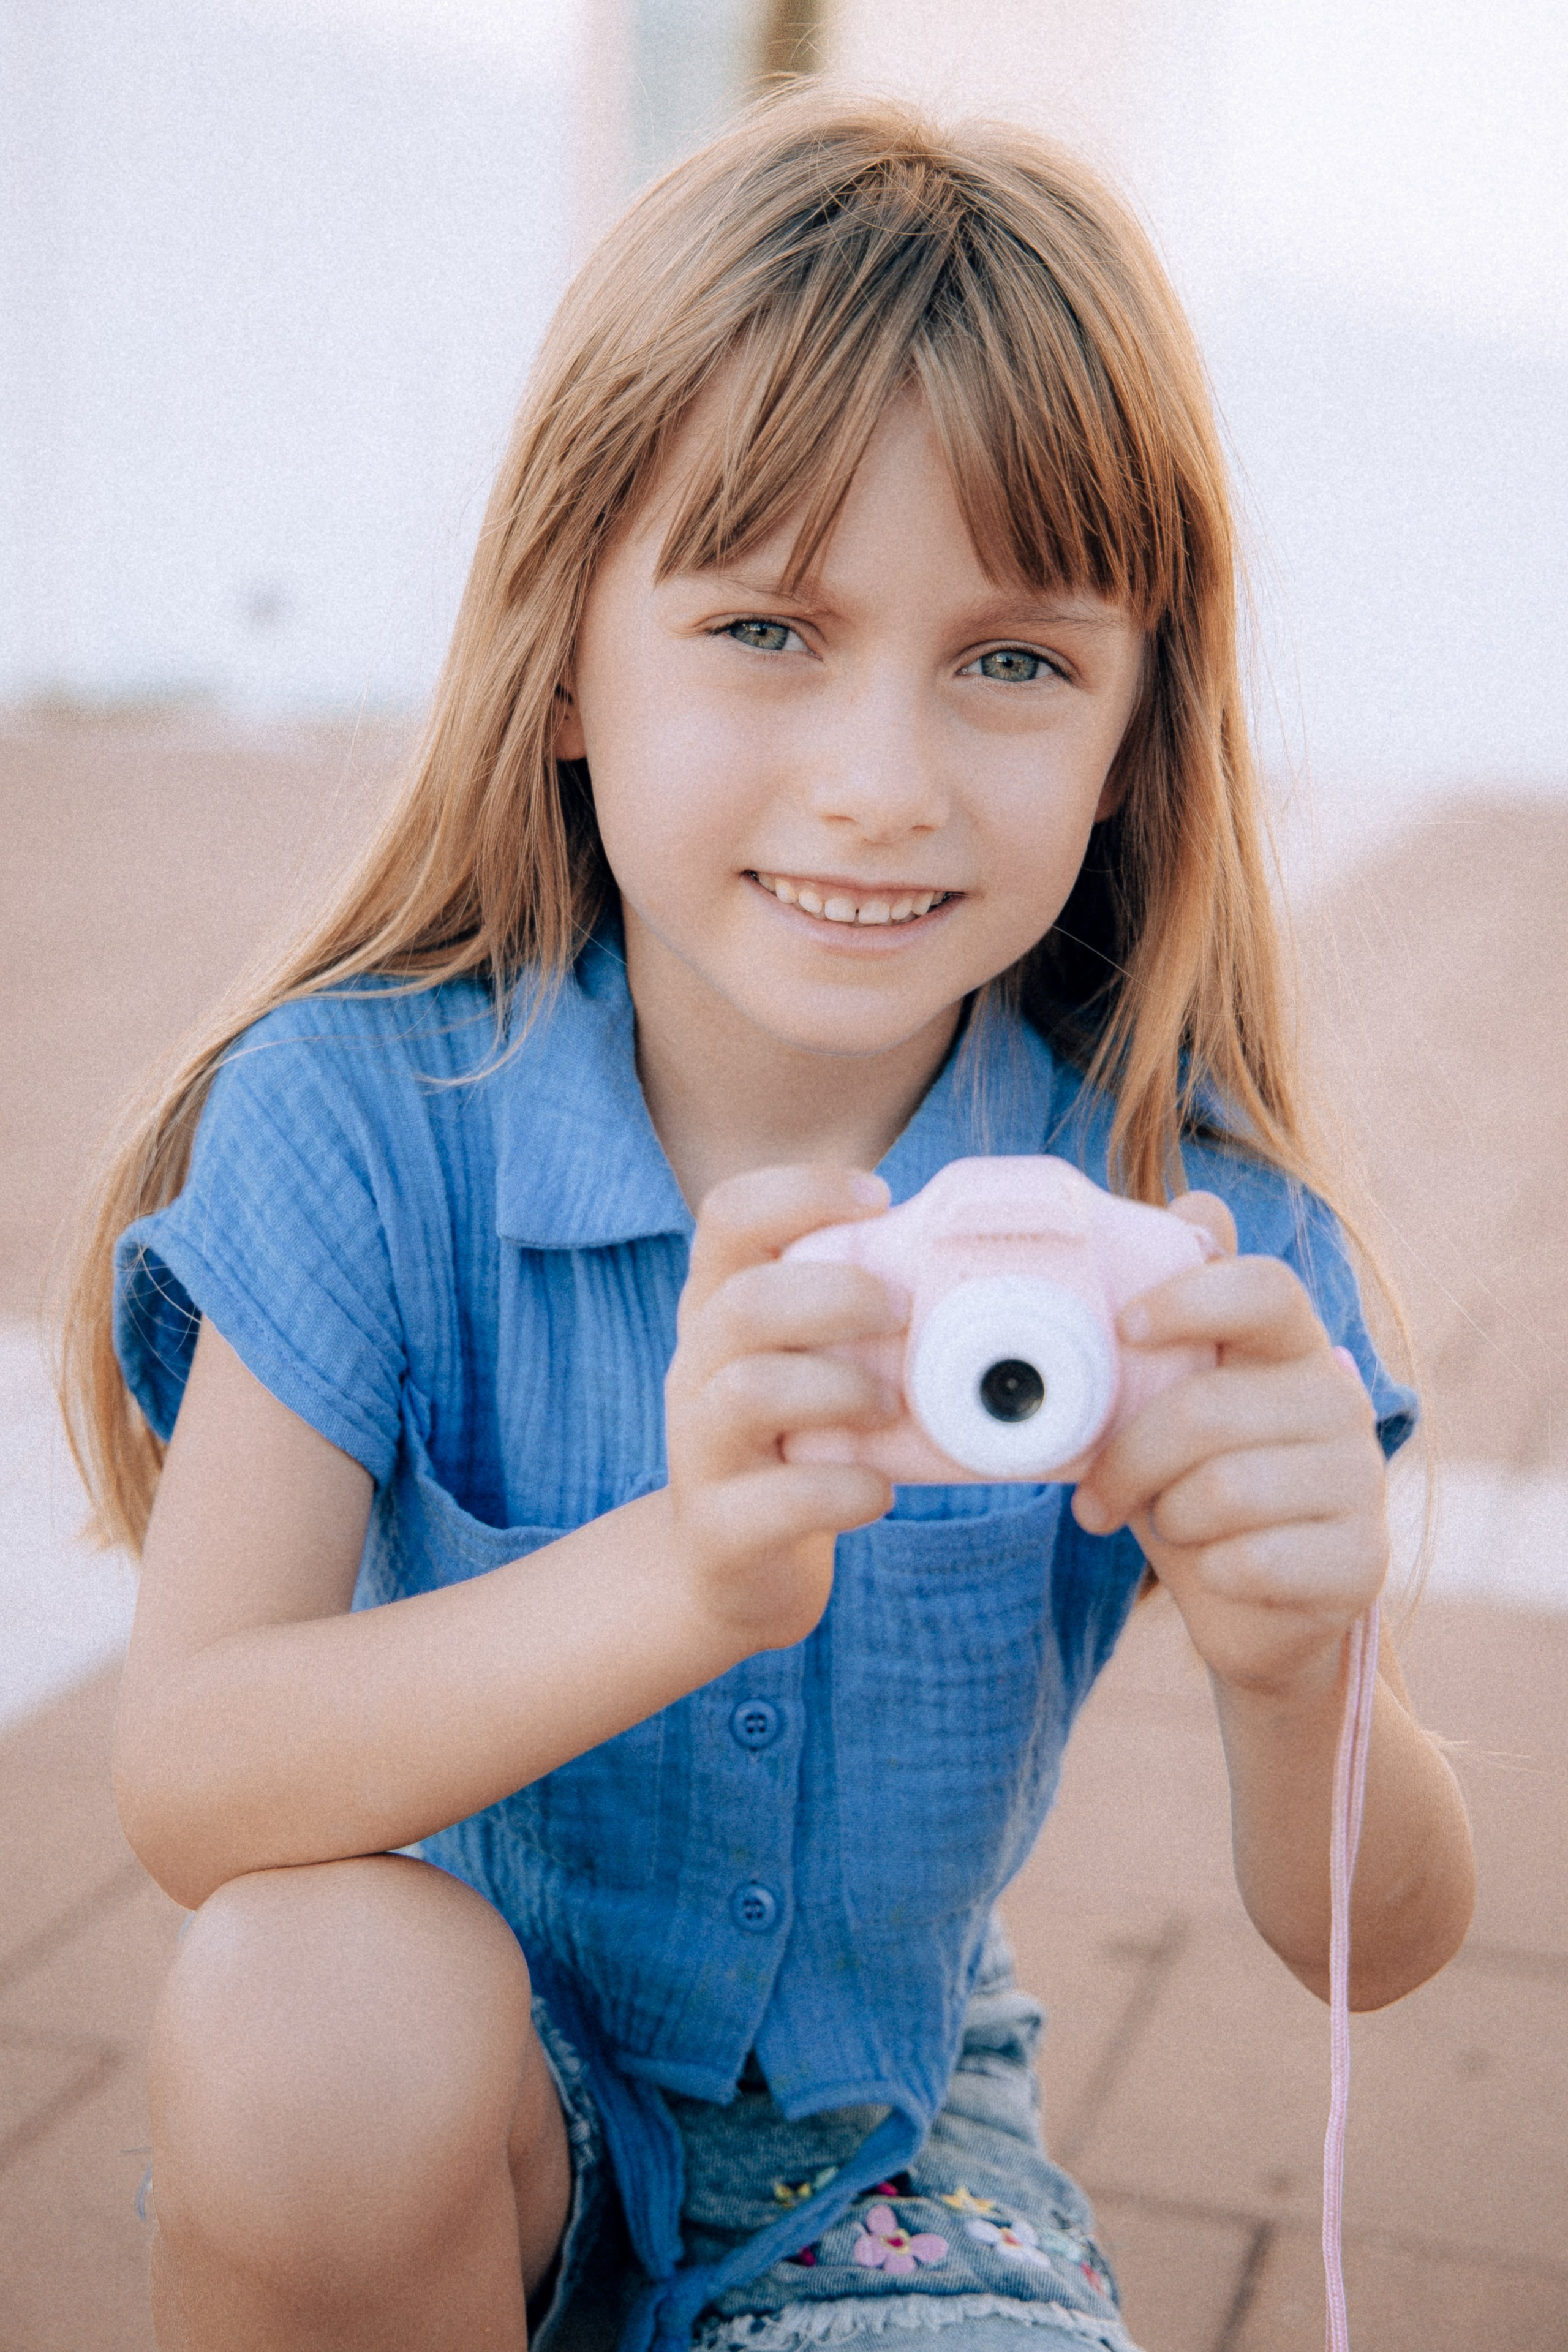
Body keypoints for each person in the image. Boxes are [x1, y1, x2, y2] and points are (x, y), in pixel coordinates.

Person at [64, 90, 1475, 2352]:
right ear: (562, 666)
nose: (884, 777)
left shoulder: (1186, 1222)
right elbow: (197, 1774)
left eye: (1016, 660)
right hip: (455, 2097)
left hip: (892, 2157)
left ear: (1132, 729)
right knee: (300, 2005)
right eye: (766, 628)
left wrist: (1312, 1668)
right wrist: (686, 1572)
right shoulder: (361, 1117)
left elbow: (1380, 1941)